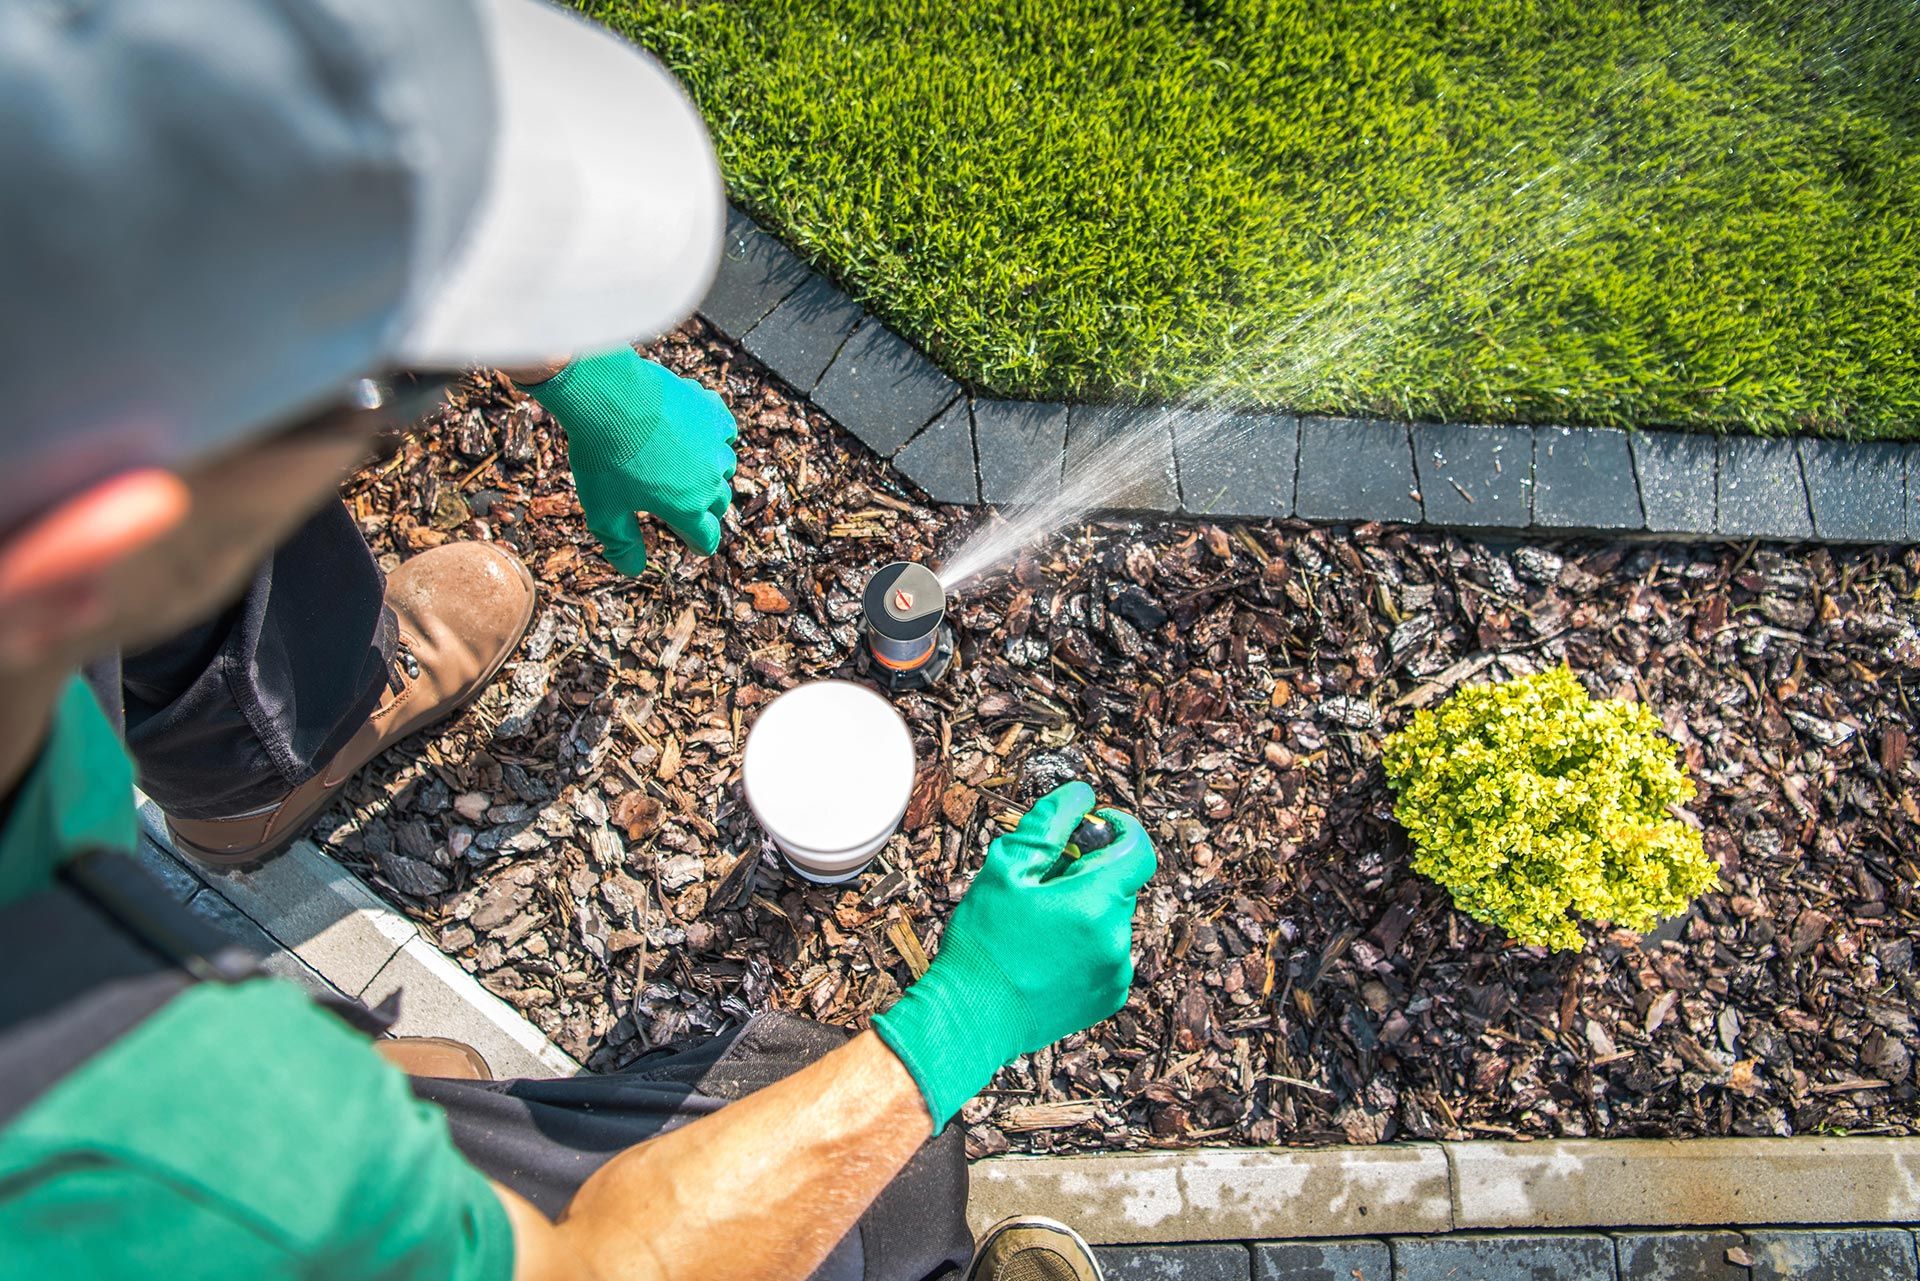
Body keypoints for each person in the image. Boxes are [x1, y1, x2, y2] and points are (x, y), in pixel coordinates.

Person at [0, 3, 1158, 1280]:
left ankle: (262, 769)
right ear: (90, 545)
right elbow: (585, 1269)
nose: (401, 421)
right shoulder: (154, 1148)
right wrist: (965, 1022)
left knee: (422, 1070)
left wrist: (568, 368)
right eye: (376, 412)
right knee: (870, 1197)